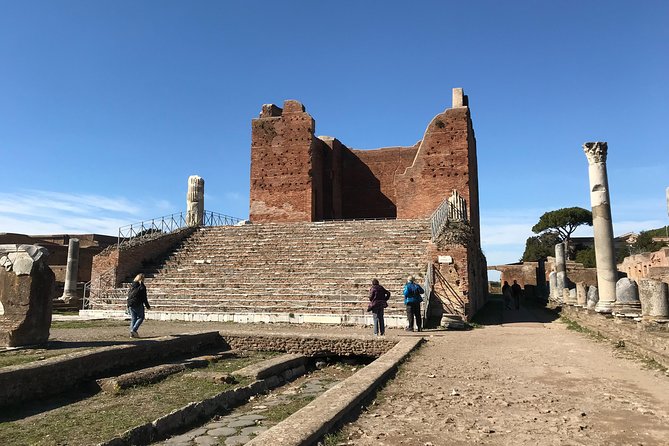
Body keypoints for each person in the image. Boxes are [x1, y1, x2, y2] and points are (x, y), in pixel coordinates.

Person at [127, 273, 150, 338]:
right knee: (141, 317)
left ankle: (132, 333)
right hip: (137, 303)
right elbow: (144, 297)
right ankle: (134, 330)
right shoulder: (142, 286)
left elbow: (129, 294)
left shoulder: (132, 285)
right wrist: (147, 306)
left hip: (130, 303)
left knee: (133, 318)